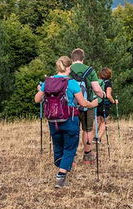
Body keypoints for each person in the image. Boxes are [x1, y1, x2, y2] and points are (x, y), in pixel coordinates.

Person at [35, 56, 99, 187]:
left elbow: (37, 99)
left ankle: (61, 167)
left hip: (53, 120)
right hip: (70, 119)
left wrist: (42, 91)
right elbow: (82, 103)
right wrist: (93, 104)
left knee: (58, 146)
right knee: (70, 147)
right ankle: (61, 176)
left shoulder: (48, 82)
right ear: (68, 68)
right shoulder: (72, 83)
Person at [68, 48, 106, 163]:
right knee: (87, 129)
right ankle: (87, 155)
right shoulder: (90, 70)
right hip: (87, 105)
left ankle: (71, 157)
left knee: (72, 130)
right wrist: (102, 95)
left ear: (72, 58)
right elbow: (96, 89)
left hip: (70, 106)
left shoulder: (67, 70)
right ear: (82, 59)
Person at [96, 67, 118, 142]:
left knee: (98, 121)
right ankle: (98, 138)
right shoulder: (108, 83)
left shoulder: (97, 82)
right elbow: (108, 95)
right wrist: (113, 101)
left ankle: (94, 137)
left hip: (97, 103)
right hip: (105, 105)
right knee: (104, 122)